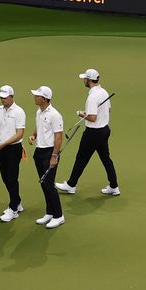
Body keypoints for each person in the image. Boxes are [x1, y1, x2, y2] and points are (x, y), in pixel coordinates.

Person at [57, 68, 119, 198]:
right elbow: (109, 109)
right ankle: (114, 187)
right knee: (106, 159)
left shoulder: (92, 97)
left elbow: (92, 118)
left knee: (81, 158)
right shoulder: (103, 91)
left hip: (93, 133)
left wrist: (81, 114)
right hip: (104, 131)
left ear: (89, 80)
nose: (83, 80)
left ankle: (71, 185)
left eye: (85, 79)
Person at [30, 86, 65, 229]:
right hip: (39, 151)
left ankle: (59, 216)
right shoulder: (39, 111)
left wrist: (54, 156)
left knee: (49, 185)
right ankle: (49, 212)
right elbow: (39, 127)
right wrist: (34, 135)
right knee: (44, 183)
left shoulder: (55, 115)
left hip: (50, 153)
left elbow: (58, 137)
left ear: (44, 99)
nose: (34, 97)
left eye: (37, 95)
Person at [0, 85, 27, 222]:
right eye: (1, 97)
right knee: (5, 178)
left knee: (12, 178)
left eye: (5, 98)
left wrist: (3, 144)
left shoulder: (19, 112)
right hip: (0, 148)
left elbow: (19, 134)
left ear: (12, 97)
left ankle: (13, 209)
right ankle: (17, 202)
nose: (2, 100)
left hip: (13, 148)